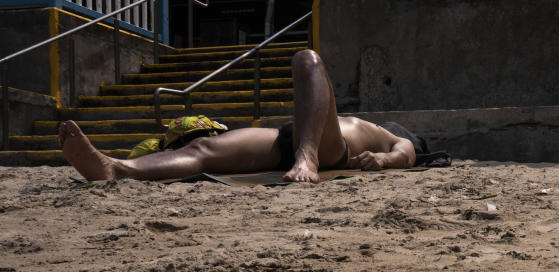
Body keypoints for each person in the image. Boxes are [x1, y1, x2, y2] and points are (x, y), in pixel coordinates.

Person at [59, 49, 415, 183]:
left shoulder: (396, 135)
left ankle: (306, 159)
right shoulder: (367, 123)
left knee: (308, 60)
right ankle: (116, 167)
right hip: (287, 137)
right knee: (203, 148)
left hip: (330, 148)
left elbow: (407, 153)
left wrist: (384, 160)